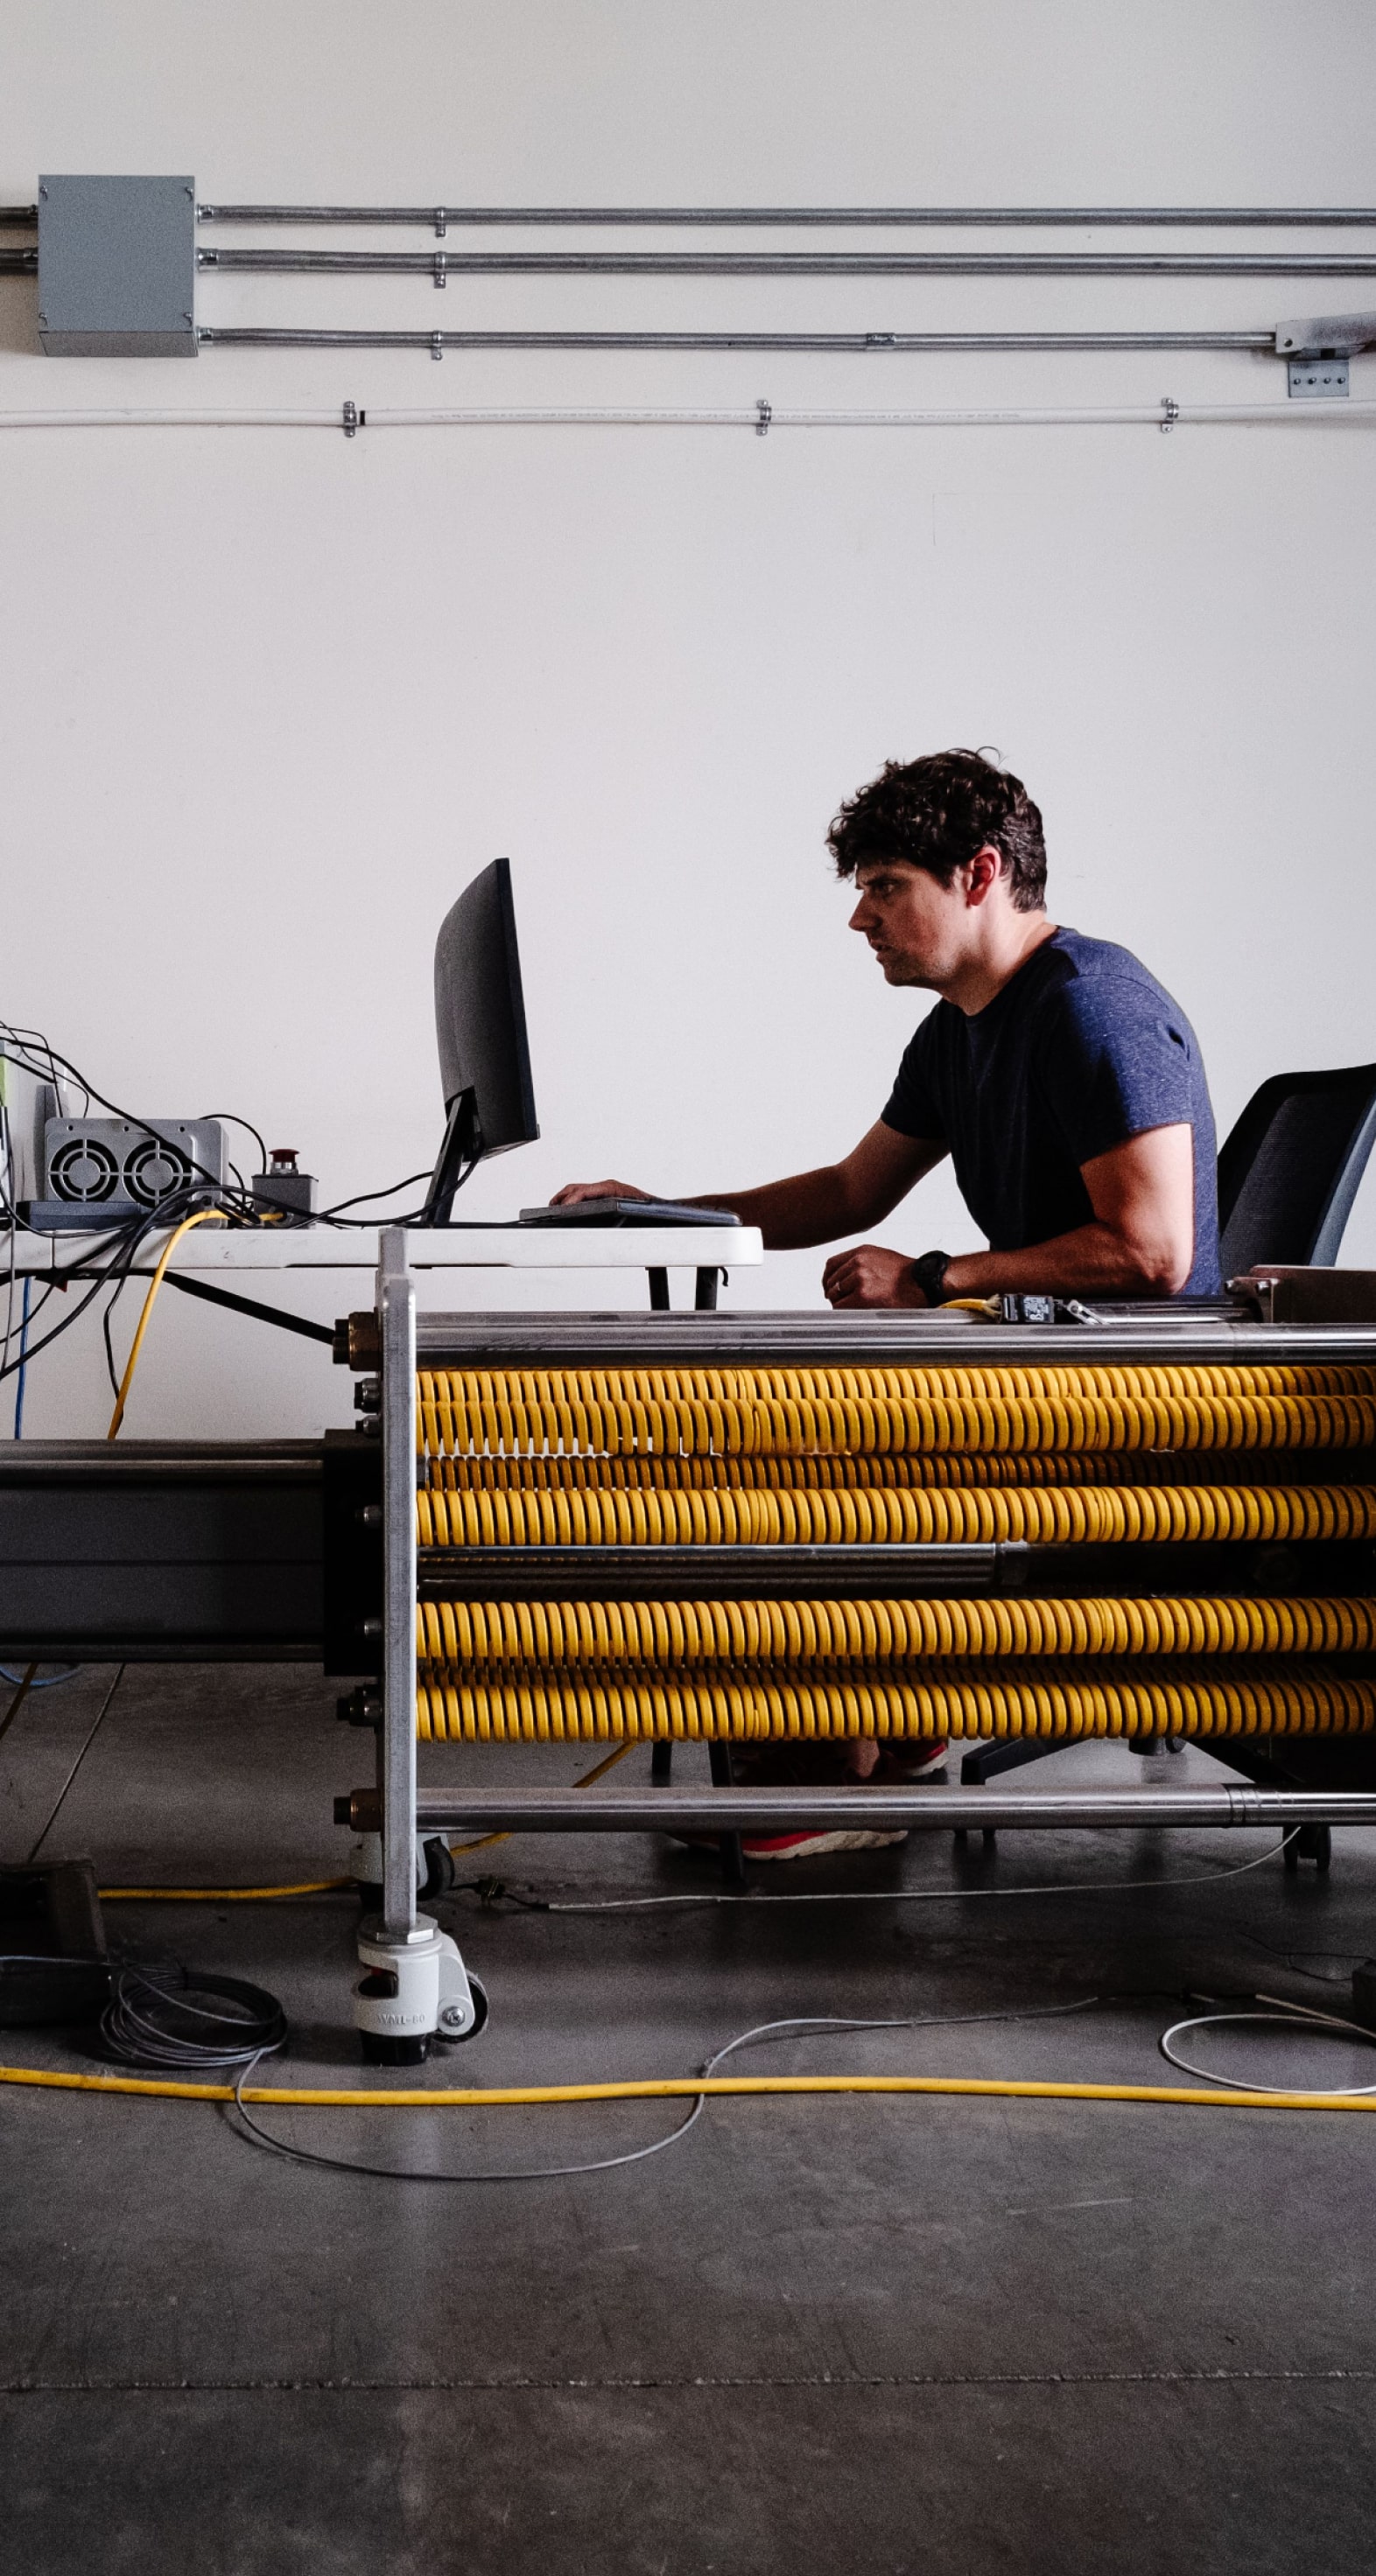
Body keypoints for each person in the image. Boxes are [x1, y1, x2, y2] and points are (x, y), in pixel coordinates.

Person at [552, 746, 1221, 1857]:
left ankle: (838, 1769)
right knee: (800, 1412)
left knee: (812, 1442)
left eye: (884, 886)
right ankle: (896, 1732)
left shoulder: (1091, 1008)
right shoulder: (962, 1028)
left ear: (978, 873)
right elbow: (850, 1190)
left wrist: (933, 1277)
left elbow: (1153, 1253)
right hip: (1052, 1370)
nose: (860, 919)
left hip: (1141, 1404)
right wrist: (658, 1207)